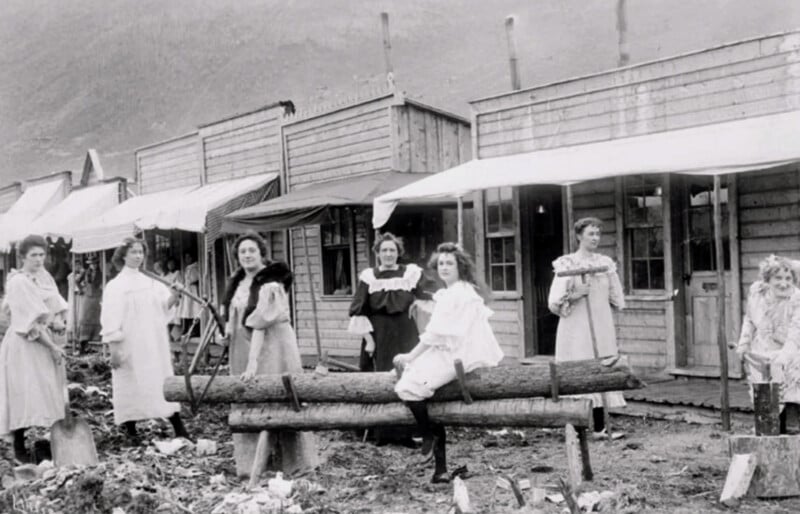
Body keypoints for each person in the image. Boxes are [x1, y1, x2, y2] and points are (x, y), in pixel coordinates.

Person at [394, 242, 504, 483]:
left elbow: (436, 333)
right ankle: (440, 470)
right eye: (441, 263)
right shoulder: (452, 291)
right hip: (451, 350)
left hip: (458, 356)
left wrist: (410, 356)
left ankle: (427, 436)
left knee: (408, 387)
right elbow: (439, 333)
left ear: (460, 267)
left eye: (449, 264)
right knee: (429, 402)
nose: (444, 267)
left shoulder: (460, 293)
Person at [221, 232, 318, 478]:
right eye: (242, 251)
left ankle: (292, 462)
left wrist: (254, 362)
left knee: (277, 396)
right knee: (248, 399)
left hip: (273, 346)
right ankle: (253, 463)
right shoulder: (238, 281)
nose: (247, 255)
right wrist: (227, 329)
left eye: (252, 250)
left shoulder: (272, 282)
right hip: (242, 347)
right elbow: (233, 312)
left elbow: (262, 321)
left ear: (261, 252)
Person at [348, 233, 437, 445]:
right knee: (380, 380)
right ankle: (382, 433)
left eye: (392, 250)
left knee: (409, 376)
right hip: (379, 334)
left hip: (405, 333)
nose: (388, 254)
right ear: (377, 254)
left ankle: (408, 432)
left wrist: (418, 304)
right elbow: (358, 311)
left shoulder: (411, 273)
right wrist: (369, 340)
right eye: (384, 250)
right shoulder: (369, 277)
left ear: (398, 253)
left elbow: (432, 295)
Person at [100, 238, 189, 445]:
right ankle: (131, 430)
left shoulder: (151, 282)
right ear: (123, 255)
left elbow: (163, 307)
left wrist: (175, 295)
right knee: (130, 381)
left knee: (159, 379)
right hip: (129, 342)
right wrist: (114, 348)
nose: (138, 256)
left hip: (153, 342)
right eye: (133, 252)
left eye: (141, 252)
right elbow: (111, 318)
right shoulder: (116, 286)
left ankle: (178, 426)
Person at [548, 217, 626, 436]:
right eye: (590, 234)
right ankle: (576, 425)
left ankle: (600, 427)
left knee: (601, 365)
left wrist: (614, 300)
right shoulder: (568, 264)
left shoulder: (605, 263)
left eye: (598, 234)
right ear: (579, 236)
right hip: (576, 325)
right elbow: (554, 301)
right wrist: (575, 294)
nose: (595, 238)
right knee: (579, 366)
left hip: (600, 321)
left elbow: (616, 294)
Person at [0, 235, 69, 463]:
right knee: (24, 391)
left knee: (47, 390)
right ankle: (19, 446)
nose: (39, 260)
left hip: (44, 340)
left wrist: (59, 320)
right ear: (22, 257)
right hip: (25, 343)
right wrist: (52, 346)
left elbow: (56, 303)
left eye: (42, 255)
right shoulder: (18, 282)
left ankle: (49, 443)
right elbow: (28, 322)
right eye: (33, 256)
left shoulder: (43, 276)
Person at [735, 255, 800, 433]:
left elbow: (796, 333)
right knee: (761, 383)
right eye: (778, 278)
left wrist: (784, 357)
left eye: (788, 279)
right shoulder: (757, 294)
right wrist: (743, 344)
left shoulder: (796, 299)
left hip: (792, 348)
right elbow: (749, 319)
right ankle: (767, 424)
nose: (783, 284)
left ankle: (792, 421)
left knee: (791, 375)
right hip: (763, 345)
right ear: (767, 279)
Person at [78, 258, 103, 354]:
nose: (94, 266)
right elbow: (77, 280)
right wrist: (81, 289)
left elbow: (104, 283)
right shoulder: (85, 273)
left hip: (97, 298)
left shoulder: (101, 273)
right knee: (85, 319)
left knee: (96, 320)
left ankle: (93, 345)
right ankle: (82, 345)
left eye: (95, 264)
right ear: (89, 265)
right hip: (87, 298)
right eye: (92, 264)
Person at [179, 253, 202, 337]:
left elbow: (198, 277)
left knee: (194, 309)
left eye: (188, 257)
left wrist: (192, 281)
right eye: (186, 257)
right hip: (187, 289)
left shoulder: (195, 266)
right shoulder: (188, 268)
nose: (187, 259)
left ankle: (195, 330)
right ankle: (186, 329)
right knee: (186, 310)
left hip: (193, 289)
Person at [164, 257, 184, 342]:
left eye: (172, 264)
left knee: (176, 317)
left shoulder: (177, 273)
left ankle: (177, 336)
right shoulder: (166, 275)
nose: (170, 265)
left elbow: (181, 284)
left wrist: (178, 296)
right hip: (167, 297)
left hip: (175, 296)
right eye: (169, 264)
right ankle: (169, 336)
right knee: (168, 317)